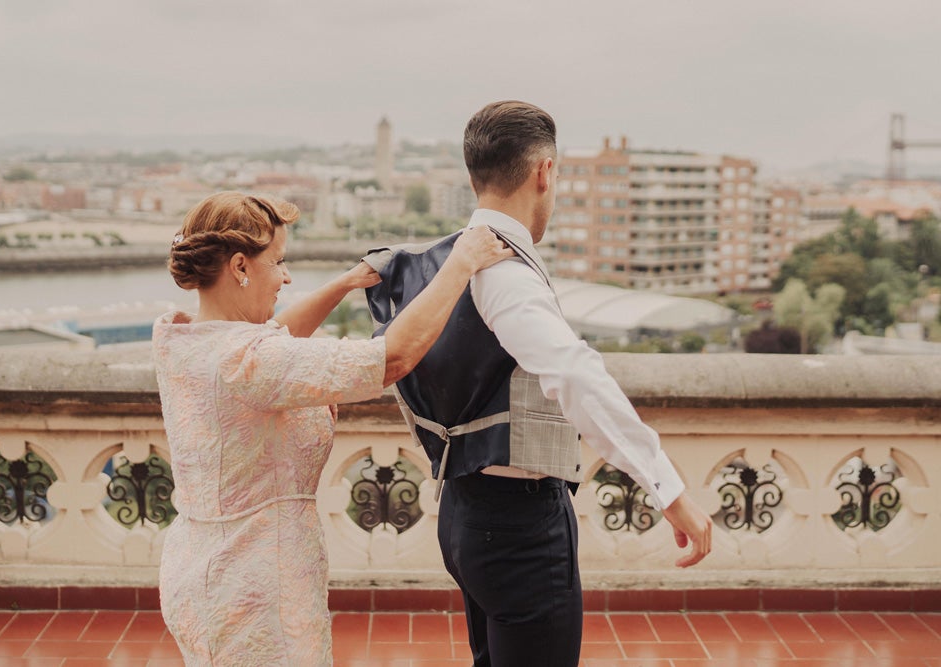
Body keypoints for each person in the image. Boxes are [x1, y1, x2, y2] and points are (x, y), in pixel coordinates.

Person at [363, 101, 713, 667]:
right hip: (518, 527)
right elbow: (574, 374)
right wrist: (668, 490)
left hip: (463, 508)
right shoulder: (504, 273)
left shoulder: (448, 257)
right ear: (544, 171)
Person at [152, 191, 513, 666]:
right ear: (240, 267)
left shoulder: (184, 336)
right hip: (253, 587)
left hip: (202, 568)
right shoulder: (248, 362)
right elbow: (393, 357)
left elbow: (272, 338)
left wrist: (345, 284)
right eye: (278, 262)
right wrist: (460, 265)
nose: (286, 276)